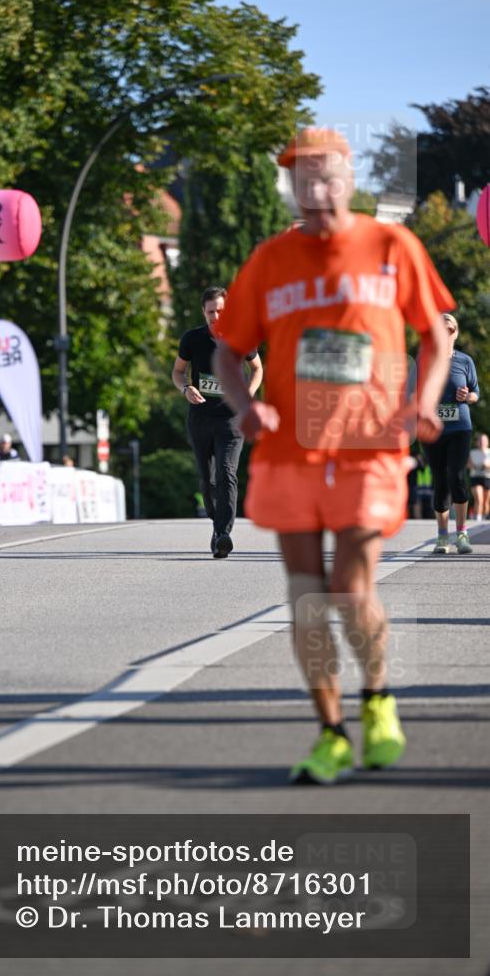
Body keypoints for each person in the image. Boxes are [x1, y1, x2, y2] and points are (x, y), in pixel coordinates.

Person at [213, 127, 452, 784]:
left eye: (323, 174)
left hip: (367, 445)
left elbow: (433, 334)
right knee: (305, 598)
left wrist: (423, 399)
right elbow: (226, 351)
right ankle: (329, 732)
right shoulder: (269, 259)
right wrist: (244, 405)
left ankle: (376, 699)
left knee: (349, 589)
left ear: (346, 179)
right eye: (299, 175)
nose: (311, 186)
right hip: (289, 450)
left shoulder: (390, 245)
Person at [172, 286, 263, 558]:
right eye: (211, 311)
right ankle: (216, 525)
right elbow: (178, 372)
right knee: (208, 481)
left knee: (227, 474)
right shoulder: (192, 339)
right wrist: (186, 388)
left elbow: (257, 368)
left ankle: (224, 534)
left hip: (231, 420)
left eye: (221, 311)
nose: (216, 316)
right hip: (200, 419)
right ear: (204, 312)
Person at [421, 313, 480, 553]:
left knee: (456, 477)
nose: (446, 334)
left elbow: (476, 393)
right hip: (432, 430)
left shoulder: (465, 361)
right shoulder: (425, 360)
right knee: (440, 481)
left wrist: (468, 396)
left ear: (455, 333)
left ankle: (462, 534)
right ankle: (442, 537)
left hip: (460, 429)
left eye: (450, 329)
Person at [468, 433, 490, 521]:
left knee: (486, 502)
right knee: (479, 499)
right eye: (480, 440)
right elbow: (468, 464)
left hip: (487, 477)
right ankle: (477, 518)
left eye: (484, 441)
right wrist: (473, 465)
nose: (482, 442)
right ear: (477, 442)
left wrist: (486, 465)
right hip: (475, 477)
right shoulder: (473, 452)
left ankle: (485, 517)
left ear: (487, 442)